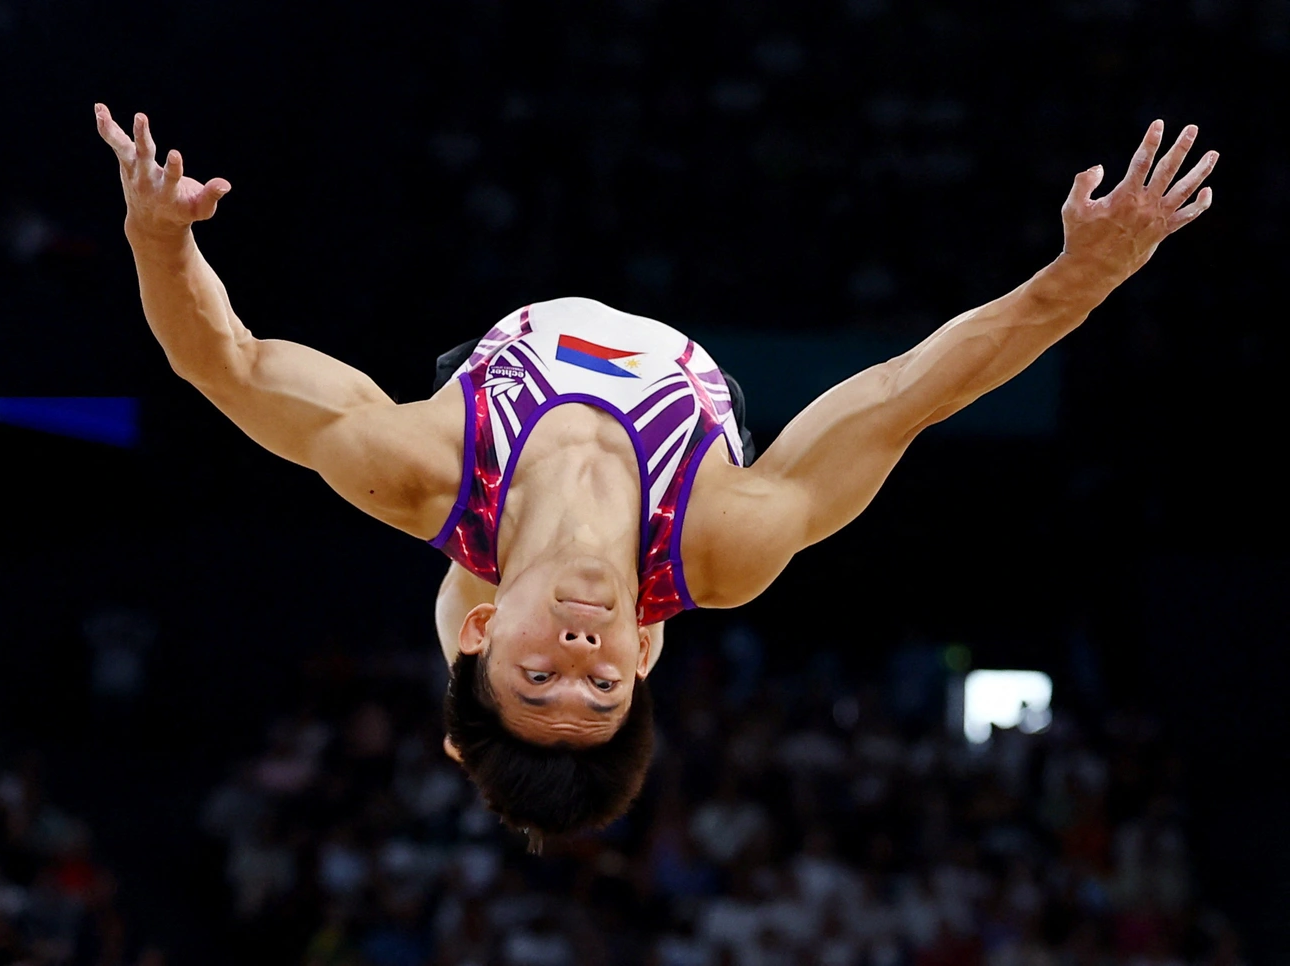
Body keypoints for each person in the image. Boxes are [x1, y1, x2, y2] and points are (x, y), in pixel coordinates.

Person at [94, 104, 1217, 842]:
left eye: (542, 682)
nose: (576, 661)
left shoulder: (420, 472)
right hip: (678, 430)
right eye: (603, 685)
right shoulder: (729, 538)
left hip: (493, 395)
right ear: (640, 657)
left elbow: (226, 366)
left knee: (452, 565)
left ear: (487, 640)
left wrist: (159, 237)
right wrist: (1082, 275)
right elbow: (912, 390)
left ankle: (473, 680)